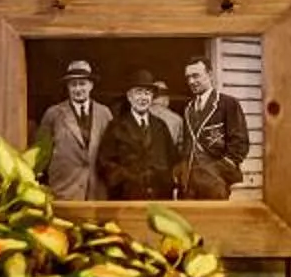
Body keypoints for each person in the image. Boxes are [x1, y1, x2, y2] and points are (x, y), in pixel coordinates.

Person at [174, 56, 252, 200]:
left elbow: (240, 145)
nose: (191, 81)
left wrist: (216, 172)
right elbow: (187, 145)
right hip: (189, 185)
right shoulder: (188, 109)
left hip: (215, 184)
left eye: (196, 76)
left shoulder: (227, 104)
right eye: (188, 77)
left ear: (209, 74)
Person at [34, 59, 111, 199]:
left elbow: (111, 153)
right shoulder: (54, 114)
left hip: (96, 191)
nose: (78, 89)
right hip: (64, 190)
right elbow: (40, 155)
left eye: (82, 84)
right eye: (73, 85)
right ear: (68, 87)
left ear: (91, 85)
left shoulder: (104, 114)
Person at [97, 75, 180, 201]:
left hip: (159, 198)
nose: (143, 98)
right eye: (138, 93)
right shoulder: (116, 126)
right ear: (129, 97)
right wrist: (127, 178)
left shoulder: (160, 126)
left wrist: (165, 180)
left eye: (147, 93)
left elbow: (173, 160)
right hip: (127, 198)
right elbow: (105, 163)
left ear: (152, 97)